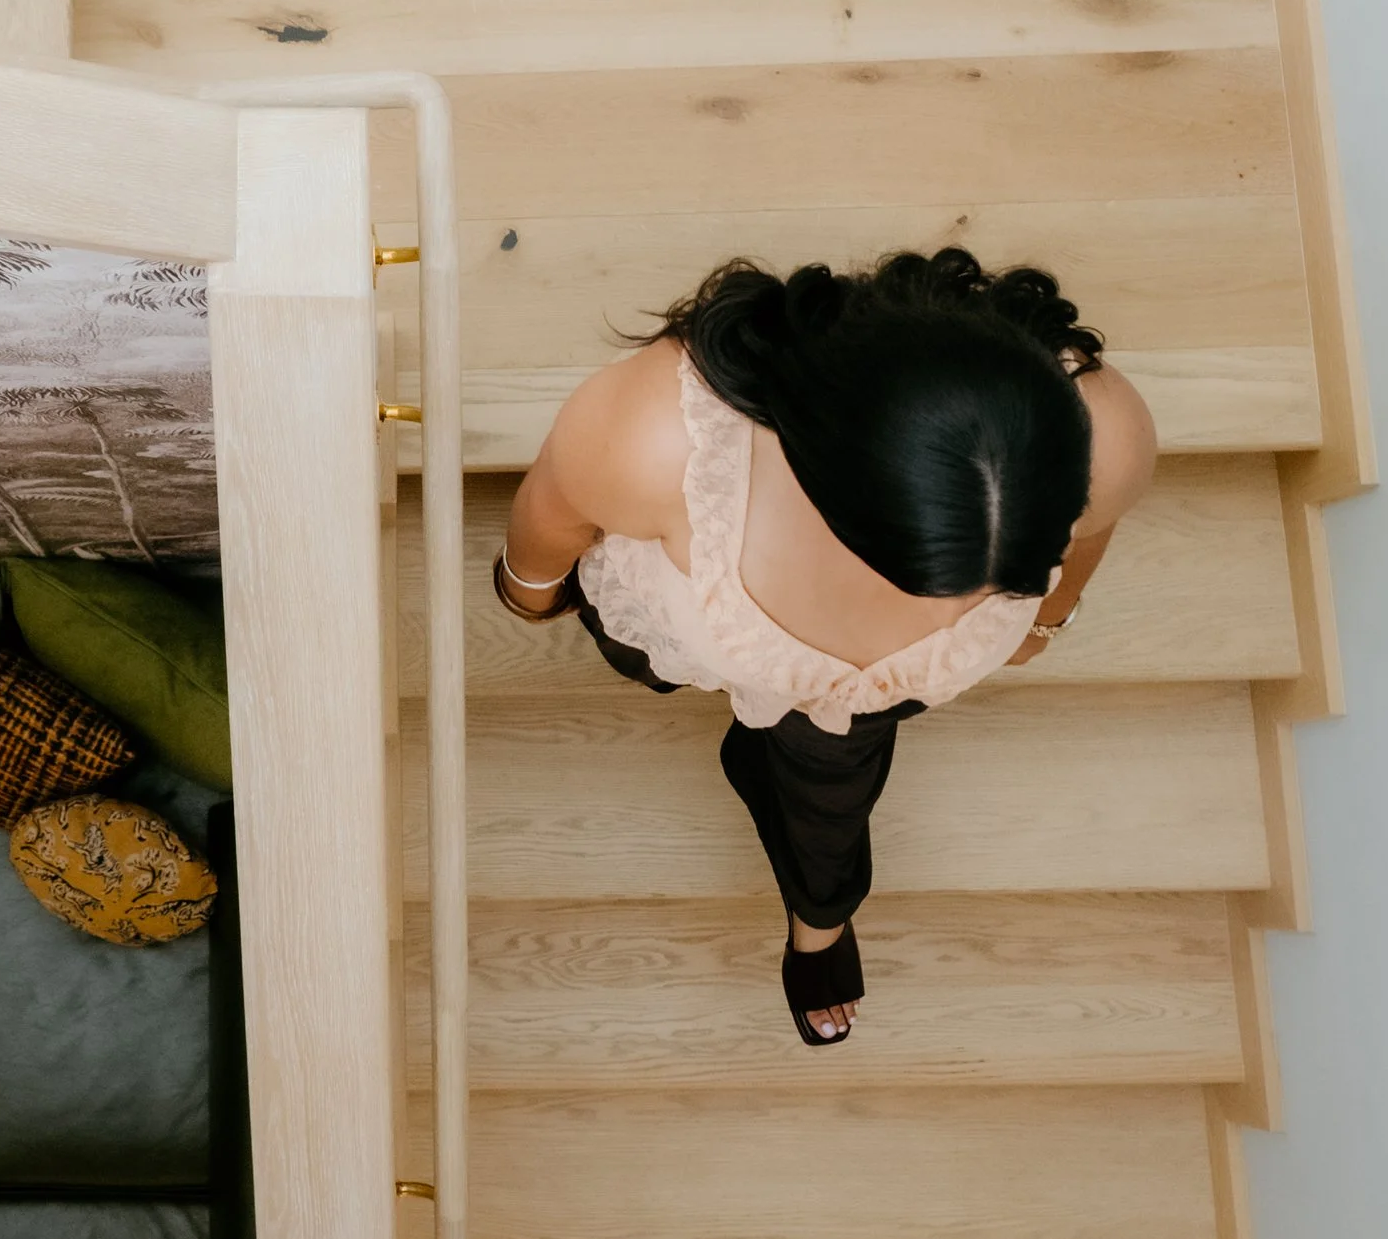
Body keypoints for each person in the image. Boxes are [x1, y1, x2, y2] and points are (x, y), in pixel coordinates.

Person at [495, 249, 1156, 1045]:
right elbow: (553, 511)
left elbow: (1085, 540)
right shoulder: (656, 438)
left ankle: (822, 914)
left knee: (837, 786)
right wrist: (529, 593)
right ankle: (808, 870)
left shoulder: (1107, 433)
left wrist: (1045, 620)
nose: (955, 615)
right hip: (686, 633)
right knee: (644, 663)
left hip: (869, 706)